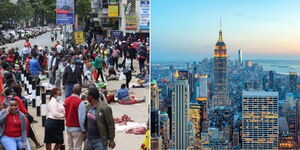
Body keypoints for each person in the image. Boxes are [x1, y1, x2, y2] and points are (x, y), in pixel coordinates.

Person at [64, 84, 86, 150]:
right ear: (80, 92)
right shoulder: (80, 102)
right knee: (77, 147)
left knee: (70, 147)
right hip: (77, 129)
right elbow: (81, 118)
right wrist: (84, 130)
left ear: (72, 90)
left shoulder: (66, 100)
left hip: (68, 128)